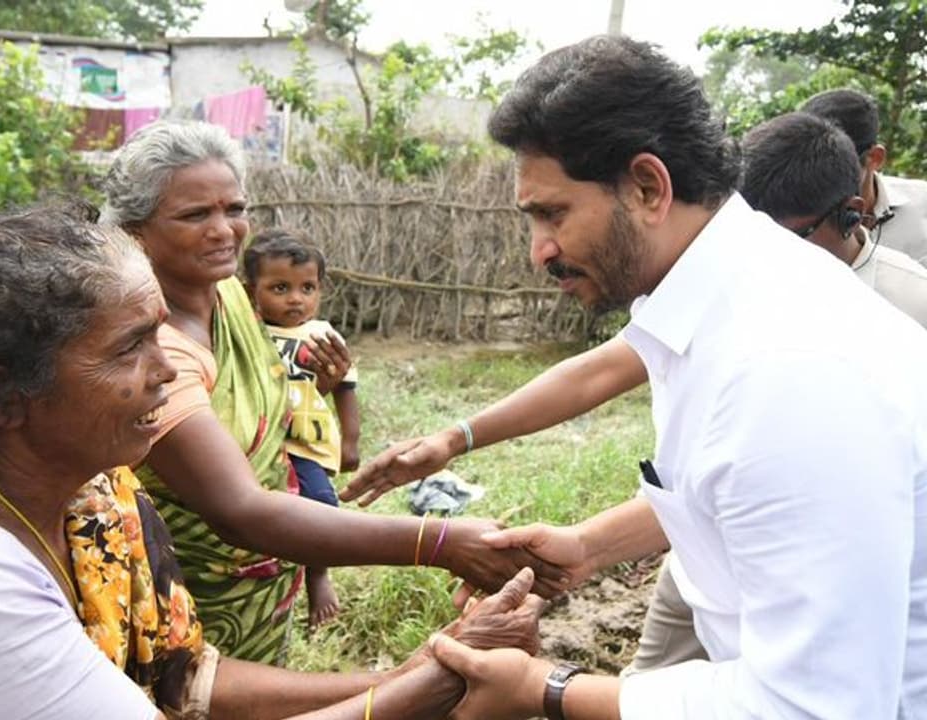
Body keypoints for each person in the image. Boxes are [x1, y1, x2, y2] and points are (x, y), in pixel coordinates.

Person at [0, 204, 545, 720]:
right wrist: (431, 686)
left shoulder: (98, 499)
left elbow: (185, 680)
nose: (167, 368)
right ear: (3, 395)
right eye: (130, 347)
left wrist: (409, 670)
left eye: (162, 333)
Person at [362, 35, 927, 718]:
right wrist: (585, 548)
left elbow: (814, 707)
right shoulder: (716, 302)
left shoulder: (786, 371)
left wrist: (544, 688)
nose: (539, 250)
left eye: (553, 213)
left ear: (647, 188)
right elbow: (727, 490)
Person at [102, 120, 562, 664]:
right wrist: (438, 542)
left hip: (264, 590)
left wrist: (316, 387)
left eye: (235, 208)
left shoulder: (230, 297)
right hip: (190, 599)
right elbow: (239, 511)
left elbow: (257, 409)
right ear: (135, 231)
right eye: (195, 215)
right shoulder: (156, 353)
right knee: (195, 695)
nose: (224, 230)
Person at [241, 228, 359, 628]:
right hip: (257, 441)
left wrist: (351, 442)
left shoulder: (322, 335)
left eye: (307, 288)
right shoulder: (249, 333)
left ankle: (318, 575)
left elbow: (345, 388)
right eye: (280, 288)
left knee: (321, 504)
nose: (296, 298)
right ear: (251, 291)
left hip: (304, 443)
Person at [742, 112, 927, 327]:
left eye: (792, 237)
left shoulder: (913, 304)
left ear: (851, 215)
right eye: (758, 234)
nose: (772, 252)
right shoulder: (741, 287)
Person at [801, 88, 927, 266]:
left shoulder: (923, 205)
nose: (822, 182)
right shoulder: (793, 220)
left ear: (875, 158)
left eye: (835, 170)